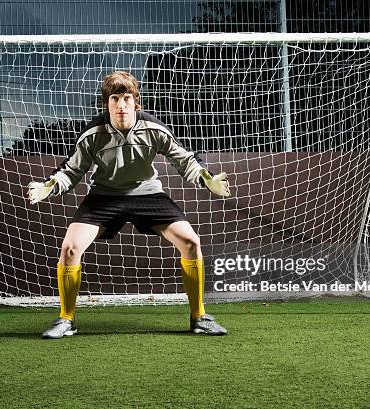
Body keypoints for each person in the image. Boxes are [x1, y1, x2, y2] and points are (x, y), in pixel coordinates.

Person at [27, 71, 230, 339]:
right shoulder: (93, 134)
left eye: (126, 98)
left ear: (136, 101)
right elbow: (72, 170)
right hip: (104, 196)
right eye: (114, 99)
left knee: (191, 242)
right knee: (70, 248)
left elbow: (184, 160)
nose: (121, 105)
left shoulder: (153, 129)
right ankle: (66, 319)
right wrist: (50, 186)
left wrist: (207, 179)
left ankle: (199, 316)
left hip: (147, 194)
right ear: (106, 103)